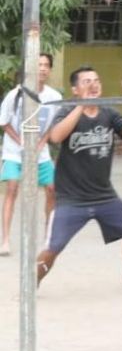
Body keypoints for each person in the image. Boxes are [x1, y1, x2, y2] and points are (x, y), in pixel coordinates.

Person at [35, 67, 122, 288]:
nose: (93, 84)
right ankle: (31, 284)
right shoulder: (66, 110)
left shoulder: (109, 114)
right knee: (52, 248)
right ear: (75, 89)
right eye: (87, 81)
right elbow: (56, 136)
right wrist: (81, 105)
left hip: (104, 196)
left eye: (96, 80)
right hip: (71, 199)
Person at [1, 54, 62, 256]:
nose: (42, 68)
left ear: (50, 70)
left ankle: (48, 237)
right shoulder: (15, 94)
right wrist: (21, 142)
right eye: (39, 65)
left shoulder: (54, 97)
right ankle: (5, 240)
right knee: (12, 187)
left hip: (40, 152)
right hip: (14, 151)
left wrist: (40, 144)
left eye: (46, 65)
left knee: (52, 189)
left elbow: (53, 124)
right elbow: (4, 122)